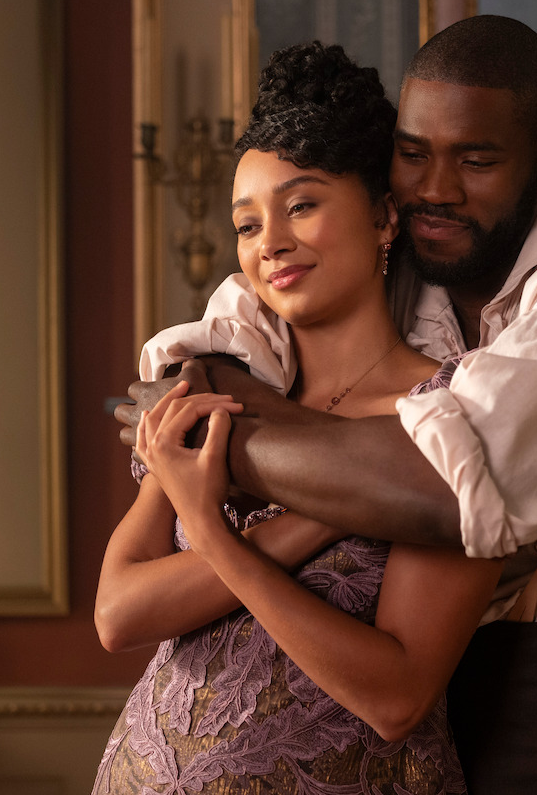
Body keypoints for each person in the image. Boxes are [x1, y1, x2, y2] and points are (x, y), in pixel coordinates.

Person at [117, 15, 537, 794]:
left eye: (476, 160)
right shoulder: (385, 255)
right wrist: (217, 403)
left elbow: (442, 493)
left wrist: (218, 441)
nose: (436, 189)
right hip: (413, 708)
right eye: (413, 155)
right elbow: (202, 358)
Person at [93, 41, 501, 795]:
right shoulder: (220, 390)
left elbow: (398, 697)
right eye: (247, 225)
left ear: (383, 216)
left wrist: (211, 529)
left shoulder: (453, 415)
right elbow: (119, 614)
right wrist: (321, 517)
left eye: (302, 206)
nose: (271, 244)